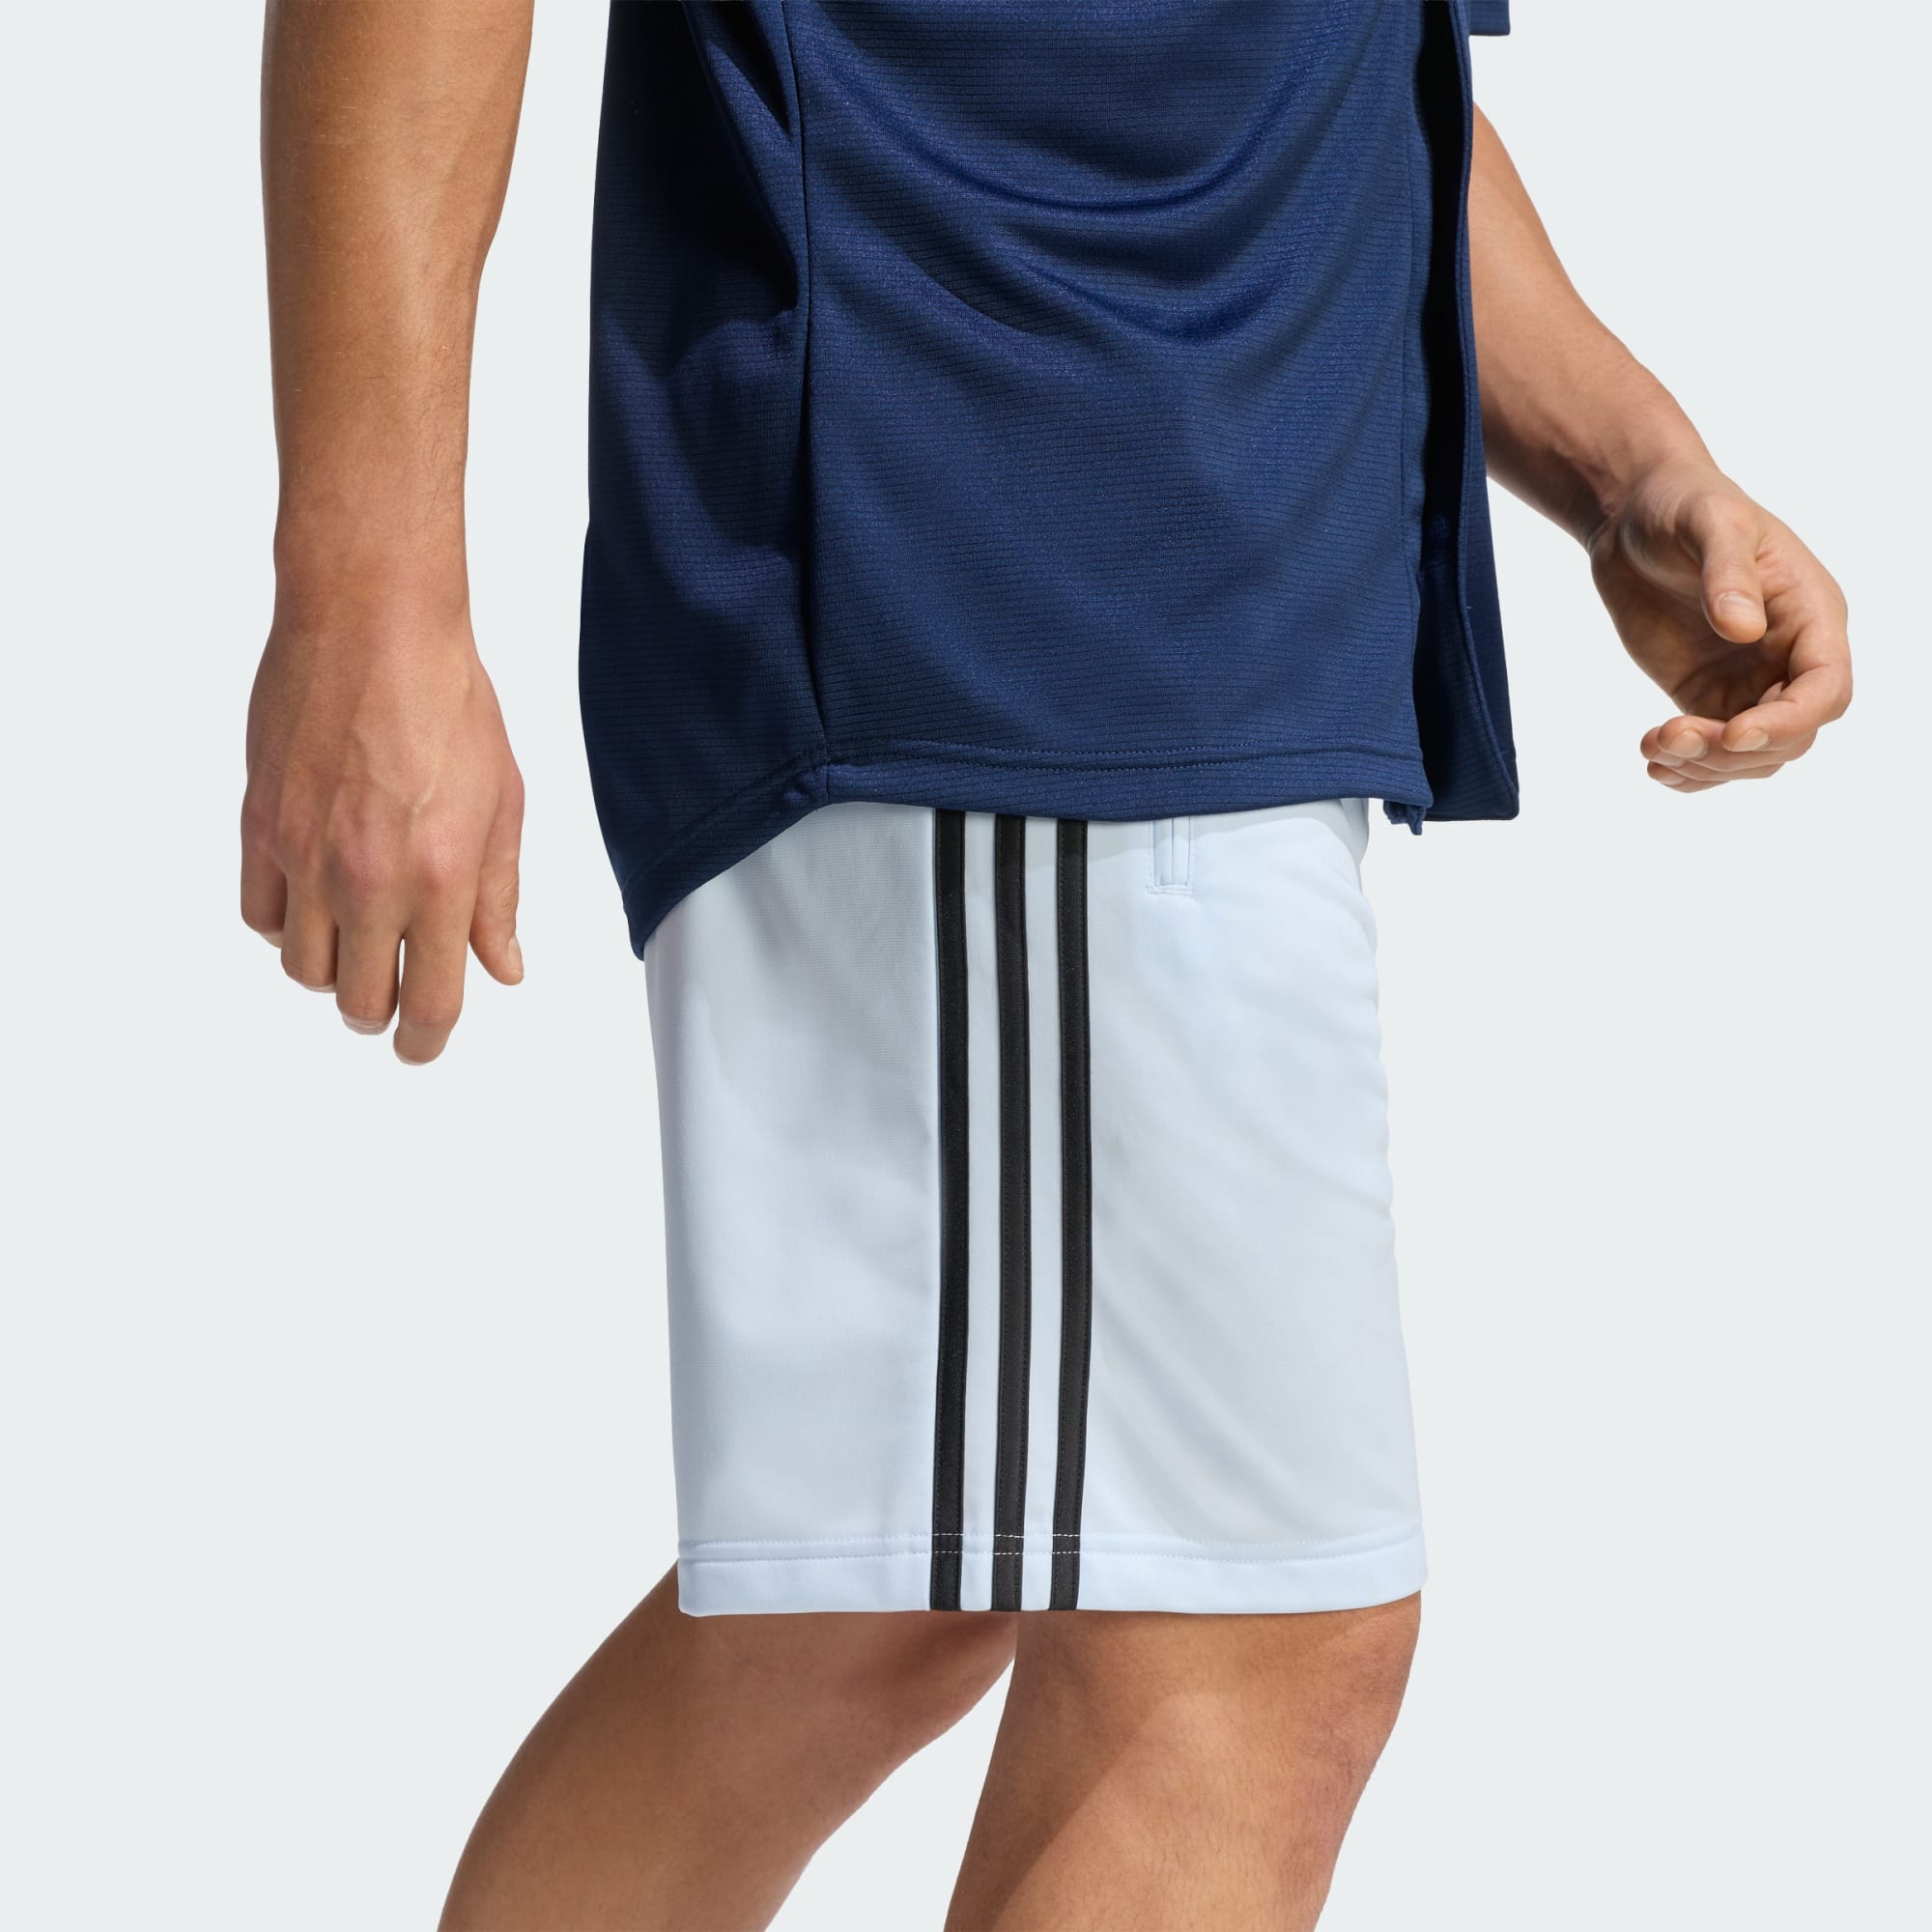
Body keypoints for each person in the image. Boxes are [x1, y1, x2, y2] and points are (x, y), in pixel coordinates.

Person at [242, 3, 1851, 1926]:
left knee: (877, 1601)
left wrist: (1632, 469)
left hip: (1153, 612)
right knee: (1250, 1647)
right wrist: (368, 596)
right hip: (999, 565)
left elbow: (1347, 69)